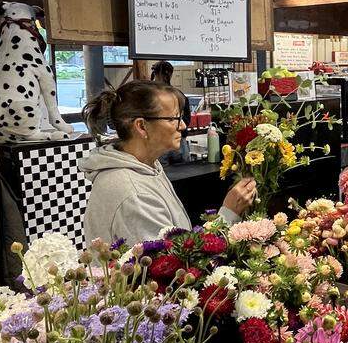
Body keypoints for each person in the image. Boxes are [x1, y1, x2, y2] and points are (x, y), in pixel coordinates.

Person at [79, 81, 255, 244]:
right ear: (141, 126)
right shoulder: (133, 194)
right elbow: (174, 264)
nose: (183, 126)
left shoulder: (148, 167)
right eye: (173, 119)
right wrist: (229, 212)